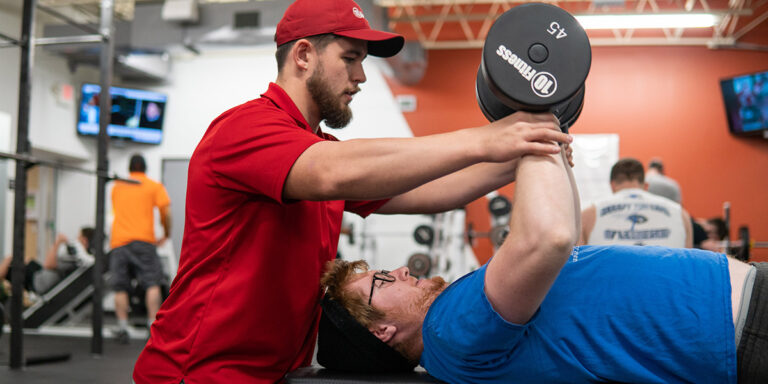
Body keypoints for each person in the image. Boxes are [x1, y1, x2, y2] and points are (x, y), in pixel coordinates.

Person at [131, 0, 574, 382]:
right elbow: (331, 173)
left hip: (278, 371)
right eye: (350, 58)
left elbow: (436, 189)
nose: (361, 76)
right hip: (197, 372)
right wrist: (486, 139)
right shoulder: (247, 130)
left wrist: (526, 153)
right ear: (304, 55)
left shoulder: (319, 150)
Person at [318, 143, 767, 383]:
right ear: (381, 331)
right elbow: (547, 239)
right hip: (742, 325)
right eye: (382, 280)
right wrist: (535, 130)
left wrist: (554, 153)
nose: (398, 270)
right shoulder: (450, 328)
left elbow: (564, 234)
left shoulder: (452, 328)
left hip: (739, 314)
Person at [109, 153, 171, 344]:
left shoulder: (117, 186)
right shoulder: (153, 186)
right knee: (152, 283)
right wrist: (166, 233)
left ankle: (122, 328)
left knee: (120, 286)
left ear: (130, 168)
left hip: (120, 241)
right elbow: (166, 212)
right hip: (144, 240)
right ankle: (152, 327)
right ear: (145, 168)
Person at [580, 157, 693, 247]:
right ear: (646, 186)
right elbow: (687, 261)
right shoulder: (681, 215)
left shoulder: (588, 215)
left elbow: (578, 261)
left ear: (612, 185)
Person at [0, 227, 94, 295]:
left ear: (84, 240)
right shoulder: (81, 257)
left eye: (79, 236)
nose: (76, 239)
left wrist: (58, 242)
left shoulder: (76, 256)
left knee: (10, 260)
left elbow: (48, 264)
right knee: (26, 259)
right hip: (42, 275)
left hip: (39, 281)